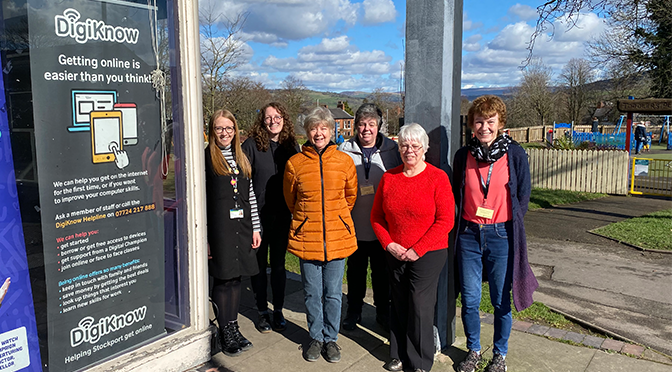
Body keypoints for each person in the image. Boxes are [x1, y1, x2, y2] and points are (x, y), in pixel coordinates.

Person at [453, 95, 538, 372]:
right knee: (470, 299)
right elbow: (457, 193)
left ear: (500, 123)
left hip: (501, 234)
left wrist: (507, 222)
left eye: (490, 121)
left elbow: (523, 194)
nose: (484, 127)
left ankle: (500, 355)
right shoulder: (462, 155)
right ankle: (474, 351)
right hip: (468, 235)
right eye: (479, 121)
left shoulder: (514, 153)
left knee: (501, 300)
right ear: (472, 124)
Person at [370, 123, 455, 372]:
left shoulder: (437, 177)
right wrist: (389, 244)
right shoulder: (389, 178)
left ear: (425, 149)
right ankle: (397, 354)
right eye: (405, 145)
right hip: (396, 250)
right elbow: (377, 217)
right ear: (399, 148)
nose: (410, 150)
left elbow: (446, 220)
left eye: (415, 145)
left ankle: (420, 361)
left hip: (429, 252)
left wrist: (418, 249)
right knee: (397, 301)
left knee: (419, 303)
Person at [283, 106, 358, 363]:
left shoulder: (345, 162)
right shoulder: (295, 163)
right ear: (307, 131)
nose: (319, 133)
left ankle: (331, 339)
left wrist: (335, 218)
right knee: (312, 292)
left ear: (331, 130)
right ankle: (315, 336)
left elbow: (350, 197)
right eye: (314, 128)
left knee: (334, 293)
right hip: (307, 237)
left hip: (337, 237)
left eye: (323, 128)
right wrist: (307, 220)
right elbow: (290, 200)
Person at [338, 103, 401, 331]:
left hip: (382, 228)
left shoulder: (393, 151)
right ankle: (353, 311)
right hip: (353, 226)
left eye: (371, 124)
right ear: (355, 126)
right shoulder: (344, 151)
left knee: (381, 274)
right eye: (362, 124)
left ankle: (382, 313)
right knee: (355, 273)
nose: (366, 129)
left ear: (379, 126)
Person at [205, 109, 262, 357]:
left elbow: (249, 196)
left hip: (242, 226)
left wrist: (256, 228)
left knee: (237, 278)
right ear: (212, 131)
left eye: (229, 128)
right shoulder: (205, 158)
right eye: (219, 128)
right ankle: (225, 329)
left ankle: (234, 326)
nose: (225, 133)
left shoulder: (241, 157)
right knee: (223, 278)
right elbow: (201, 200)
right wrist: (204, 237)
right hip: (219, 229)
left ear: (235, 131)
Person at [242, 102, 300, 334]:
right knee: (258, 266)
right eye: (268, 117)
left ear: (284, 119)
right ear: (262, 121)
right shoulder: (251, 146)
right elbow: (242, 182)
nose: (273, 120)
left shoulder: (291, 145)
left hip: (282, 216)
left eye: (277, 116)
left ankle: (278, 309)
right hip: (258, 217)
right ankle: (261, 310)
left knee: (278, 266)